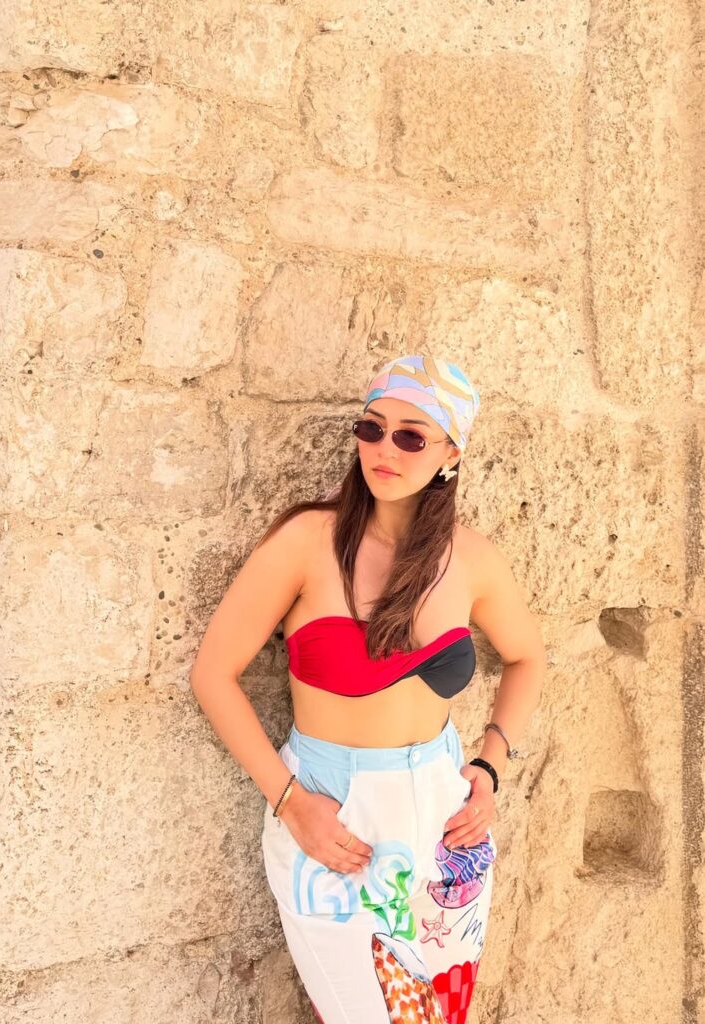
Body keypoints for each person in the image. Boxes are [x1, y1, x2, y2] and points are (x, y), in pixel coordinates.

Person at [191, 354, 546, 1024]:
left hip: (444, 818)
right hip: (337, 814)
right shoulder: (306, 541)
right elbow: (212, 674)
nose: (385, 449)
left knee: (438, 1016)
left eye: (412, 436)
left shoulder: (472, 559)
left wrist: (490, 767)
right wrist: (290, 802)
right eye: (372, 428)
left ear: (450, 453)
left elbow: (527, 658)